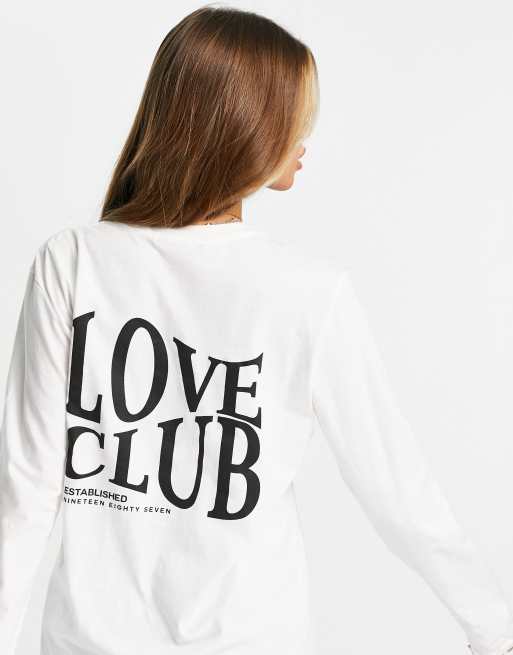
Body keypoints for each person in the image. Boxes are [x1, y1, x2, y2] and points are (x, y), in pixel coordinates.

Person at [1, 6, 512, 655]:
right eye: (296, 118)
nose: (306, 140)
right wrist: (494, 627)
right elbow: (398, 490)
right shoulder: (300, 291)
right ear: (244, 126)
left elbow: (23, 495)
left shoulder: (73, 262)